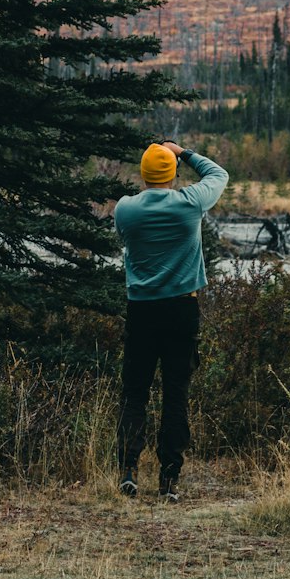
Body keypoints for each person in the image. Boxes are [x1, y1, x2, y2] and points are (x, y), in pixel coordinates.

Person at [114, 139, 229, 500]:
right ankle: (168, 480)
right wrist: (185, 153)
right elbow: (219, 174)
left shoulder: (125, 209)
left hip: (142, 309)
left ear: (143, 174)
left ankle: (129, 470)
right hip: (182, 309)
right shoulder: (190, 203)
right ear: (173, 173)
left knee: (135, 392)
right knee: (175, 395)